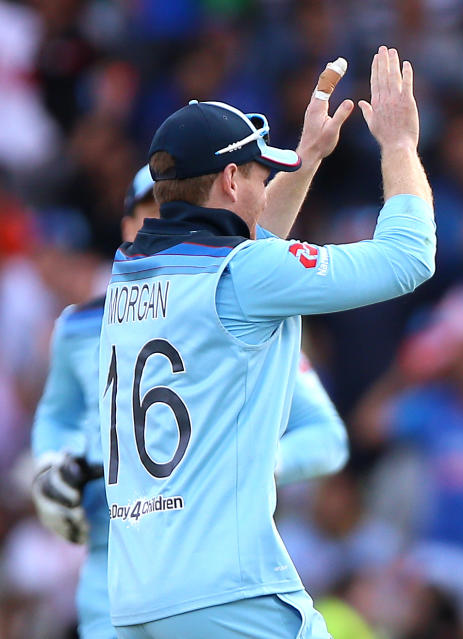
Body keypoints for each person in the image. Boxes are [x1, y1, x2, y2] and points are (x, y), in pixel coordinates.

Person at [98, 46, 434, 638]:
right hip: (230, 593)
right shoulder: (243, 276)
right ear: (231, 179)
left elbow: (250, 255)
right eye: (259, 174)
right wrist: (401, 144)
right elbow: (409, 258)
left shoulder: (130, 272)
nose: (264, 185)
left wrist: (303, 162)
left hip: (135, 600)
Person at [32, 161, 350, 637]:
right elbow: (56, 416)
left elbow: (328, 438)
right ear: (126, 229)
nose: (165, 225)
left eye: (173, 210)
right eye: (150, 213)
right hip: (111, 561)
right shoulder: (78, 326)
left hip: (208, 558)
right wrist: (48, 465)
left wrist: (249, 462)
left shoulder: (239, 307)